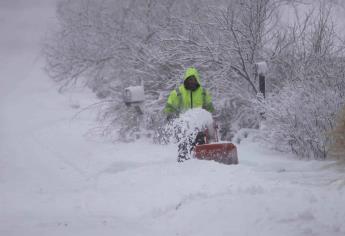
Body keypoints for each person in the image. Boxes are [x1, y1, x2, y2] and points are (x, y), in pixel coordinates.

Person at [164, 67, 214, 162]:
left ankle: (201, 164)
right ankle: (184, 165)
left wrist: (211, 118)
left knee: (200, 148)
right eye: (190, 79)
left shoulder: (203, 93)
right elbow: (170, 105)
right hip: (184, 128)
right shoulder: (178, 92)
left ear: (197, 79)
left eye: (194, 79)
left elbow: (209, 108)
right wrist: (169, 114)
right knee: (184, 148)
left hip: (199, 127)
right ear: (186, 79)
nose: (192, 81)